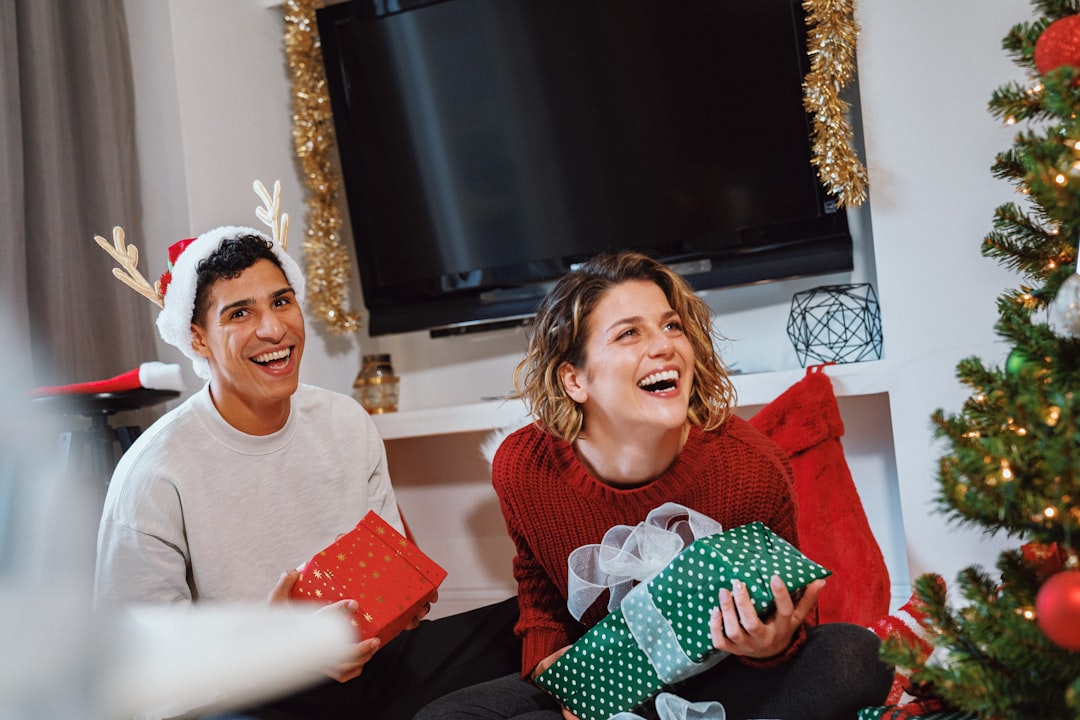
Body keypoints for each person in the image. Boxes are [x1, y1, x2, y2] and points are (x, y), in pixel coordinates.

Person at [93, 184, 519, 719]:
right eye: (239, 314)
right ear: (198, 339)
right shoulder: (154, 472)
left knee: (527, 623)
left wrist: (400, 603)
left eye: (280, 301)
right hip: (251, 692)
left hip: (373, 666)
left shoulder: (345, 420)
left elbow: (388, 563)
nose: (274, 329)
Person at [416, 251, 892, 720]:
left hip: (726, 676)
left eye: (672, 326)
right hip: (606, 679)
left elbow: (791, 611)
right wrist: (549, 661)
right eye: (629, 333)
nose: (664, 345)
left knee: (856, 655)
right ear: (574, 379)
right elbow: (536, 581)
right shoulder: (523, 467)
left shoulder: (753, 467)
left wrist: (772, 645)